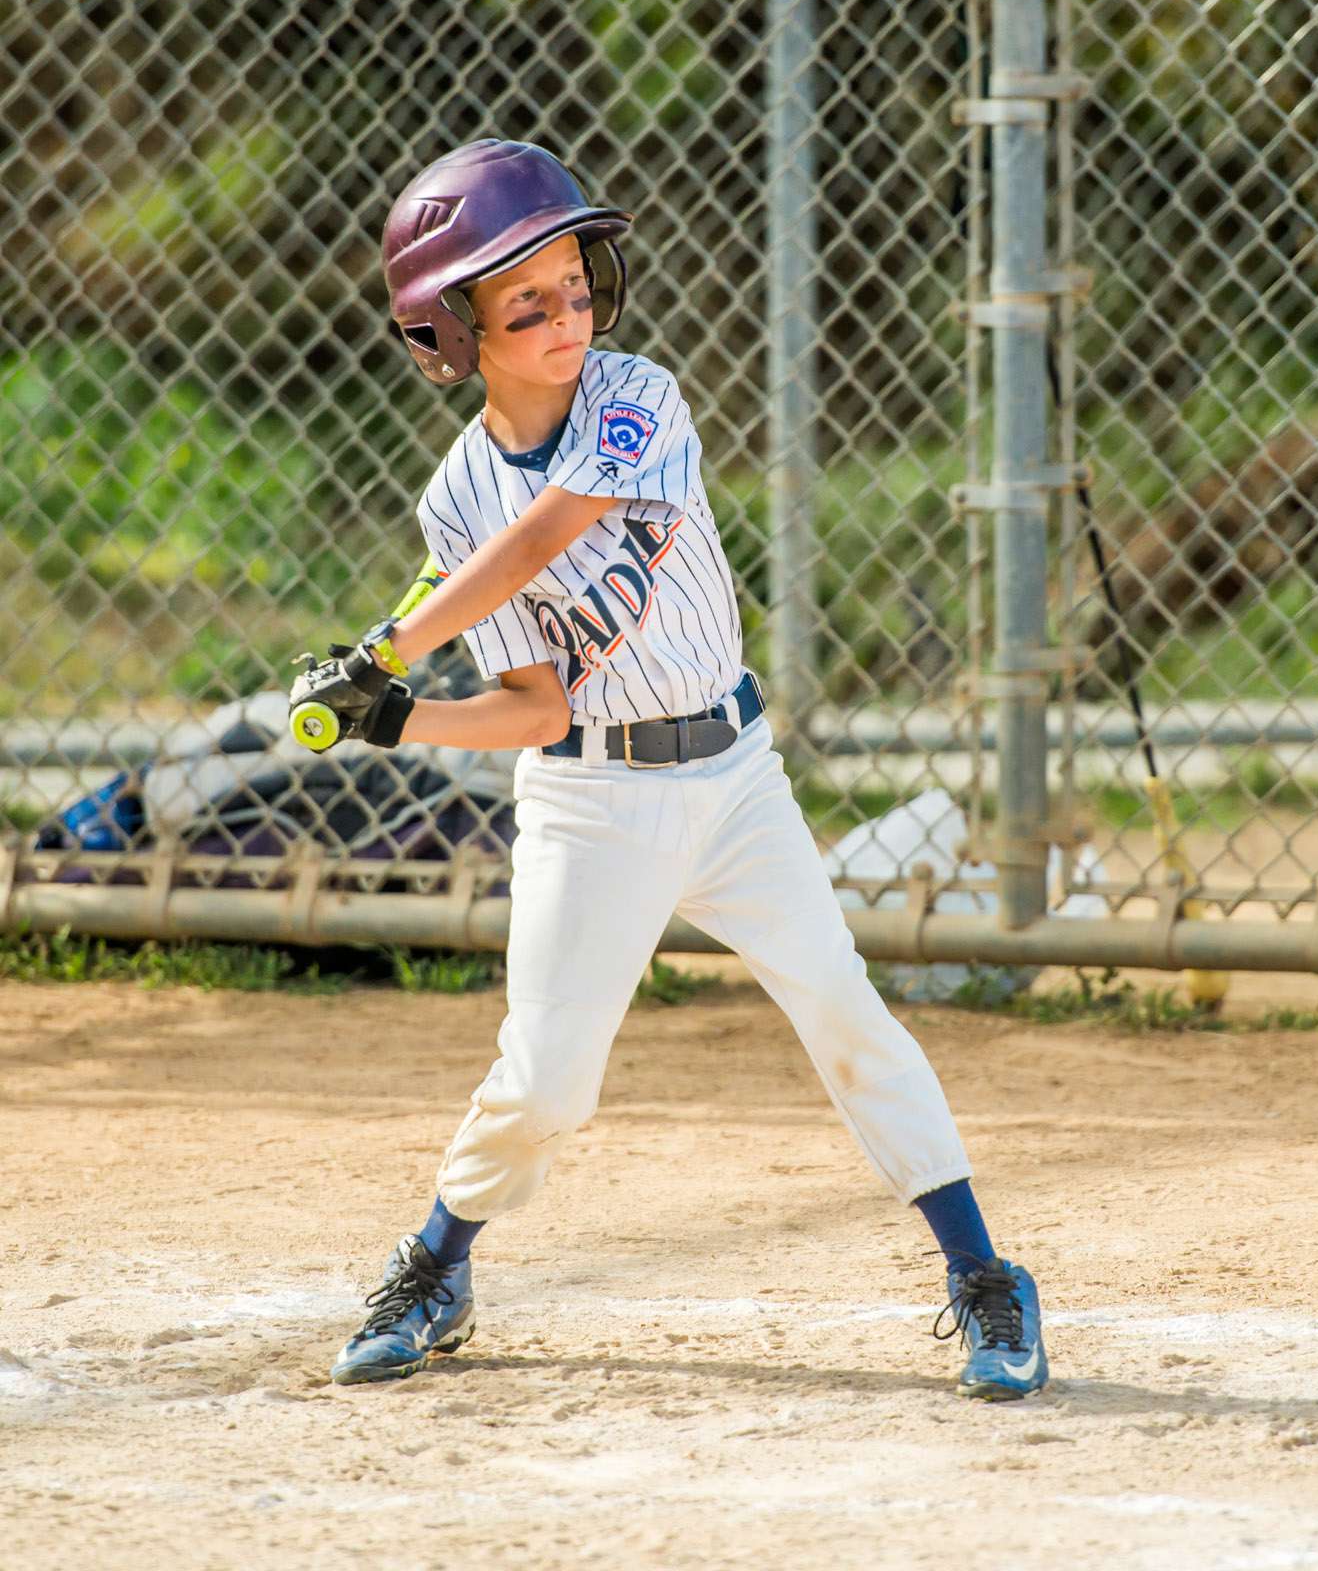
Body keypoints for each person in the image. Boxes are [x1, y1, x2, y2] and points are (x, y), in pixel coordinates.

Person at [292, 140, 1048, 1399]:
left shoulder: (638, 397)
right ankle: (438, 1263)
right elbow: (532, 710)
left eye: (576, 285)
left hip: (735, 775)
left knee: (844, 1013)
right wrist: (396, 720)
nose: (565, 316)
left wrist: (387, 649)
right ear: (449, 330)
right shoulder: (454, 502)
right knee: (545, 1082)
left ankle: (985, 1277)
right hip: (593, 800)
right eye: (523, 302)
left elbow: (554, 532)